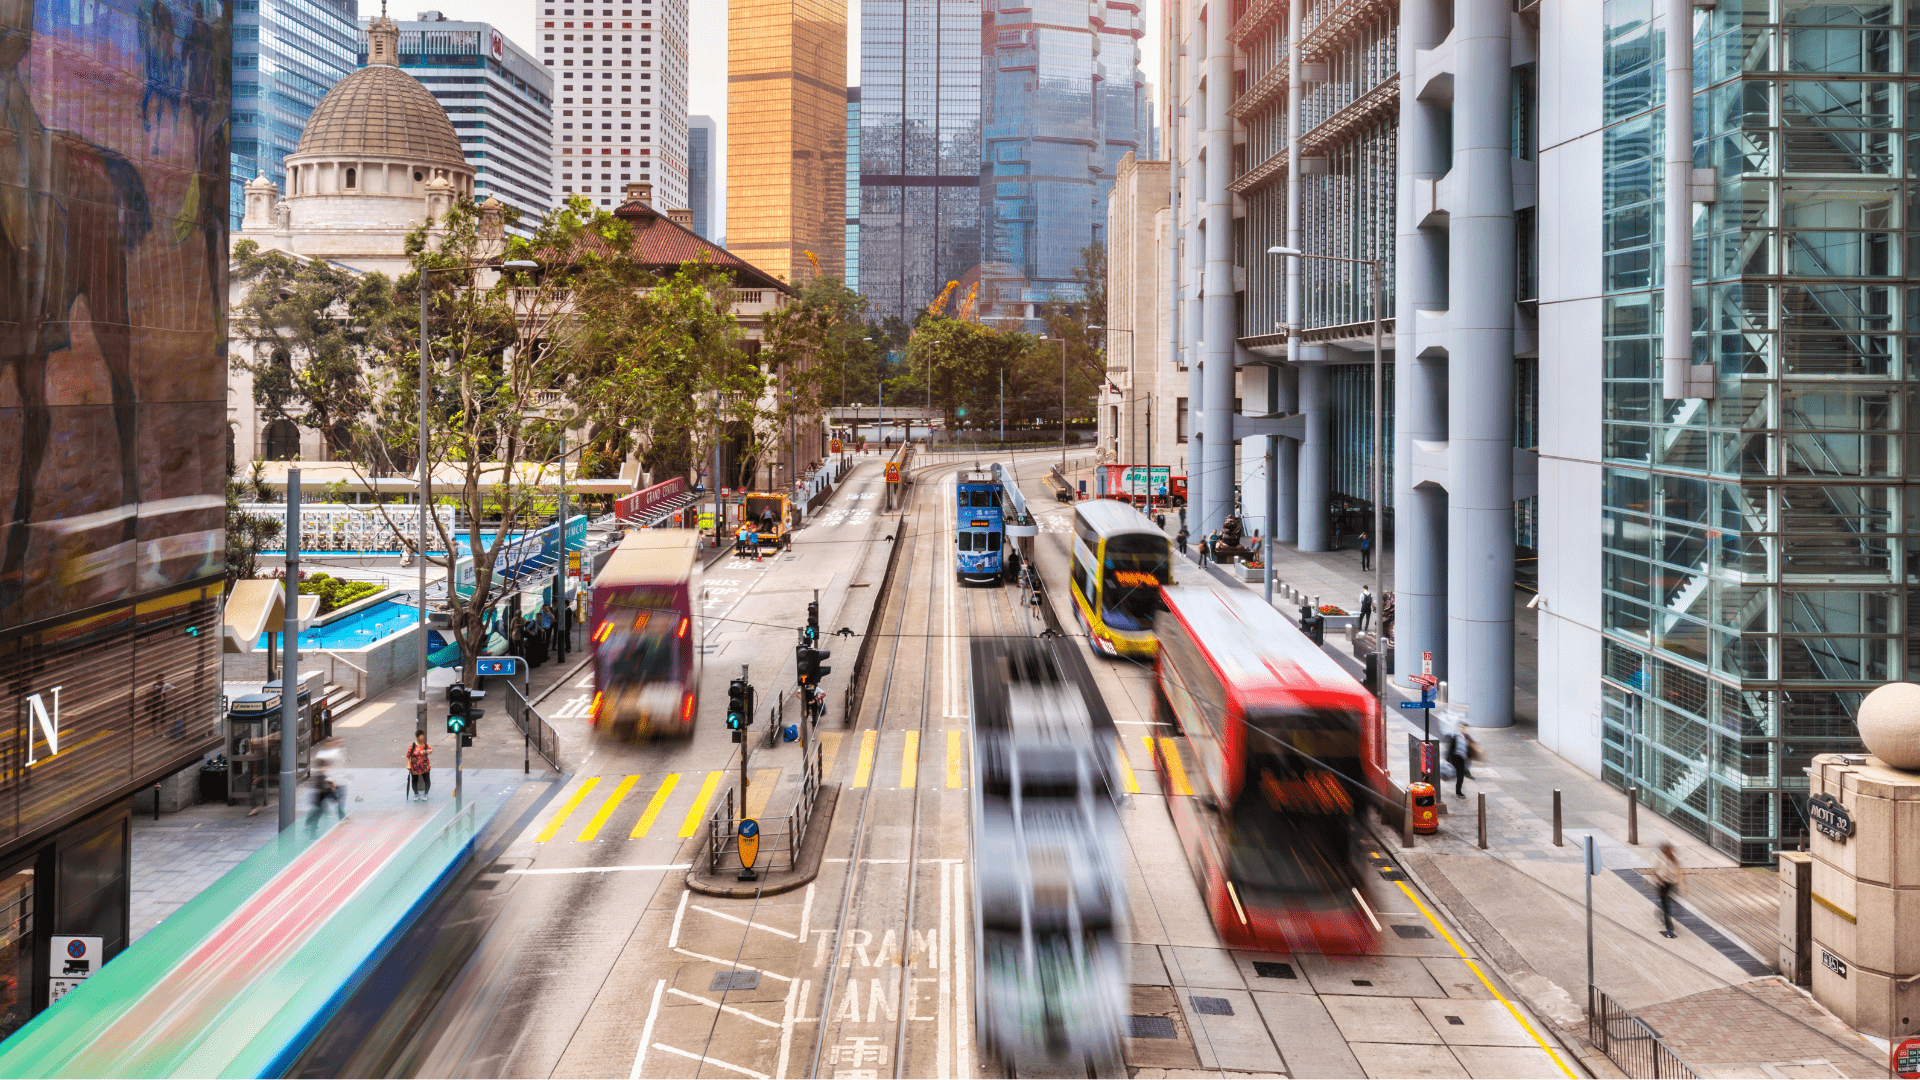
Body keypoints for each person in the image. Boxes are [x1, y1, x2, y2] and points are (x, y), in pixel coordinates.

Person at [1652, 843, 1684, 938]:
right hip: (1662, 884)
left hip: (1671, 884)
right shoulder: (1660, 859)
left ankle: (1660, 910)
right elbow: (1655, 871)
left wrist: (1679, 884)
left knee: (1667, 903)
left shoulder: (1674, 859)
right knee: (1666, 906)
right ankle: (1669, 929)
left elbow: (1678, 872)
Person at [1447, 721, 1476, 797]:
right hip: (1456, 758)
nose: (1462, 729)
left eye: (1464, 728)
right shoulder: (1455, 736)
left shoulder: (1466, 736)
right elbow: (1450, 749)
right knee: (1460, 775)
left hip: (1463, 758)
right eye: (1461, 727)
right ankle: (1458, 791)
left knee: (1460, 775)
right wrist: (1448, 759)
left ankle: (1458, 789)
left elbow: (1471, 746)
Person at [406, 730, 433, 800]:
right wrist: (408, 765)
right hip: (415, 767)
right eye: (421, 737)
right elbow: (408, 756)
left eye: (422, 737)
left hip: (425, 766)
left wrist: (428, 751)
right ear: (417, 737)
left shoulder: (425, 745)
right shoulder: (413, 746)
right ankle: (416, 794)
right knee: (414, 780)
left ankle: (426, 794)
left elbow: (430, 750)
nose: (422, 738)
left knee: (427, 780)